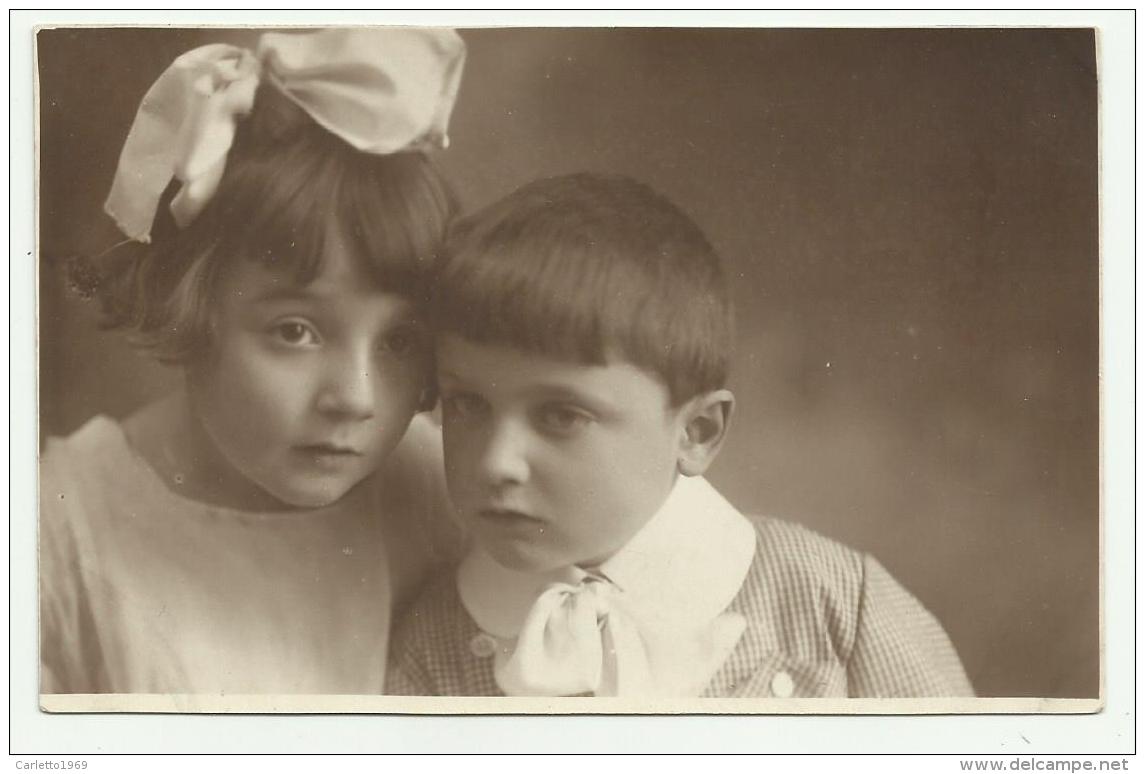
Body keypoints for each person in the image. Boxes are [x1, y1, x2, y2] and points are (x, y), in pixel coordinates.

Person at [386, 173, 974, 698]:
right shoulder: (434, 647)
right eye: (467, 404)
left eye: (560, 417)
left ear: (696, 432)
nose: (498, 462)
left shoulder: (833, 603)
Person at [40, 27, 466, 695]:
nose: (355, 398)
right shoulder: (57, 525)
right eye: (295, 331)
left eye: (400, 341)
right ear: (191, 307)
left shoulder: (443, 495)